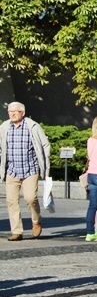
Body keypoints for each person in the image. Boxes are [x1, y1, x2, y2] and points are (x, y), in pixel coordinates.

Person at [1, 102, 51, 241]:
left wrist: (45, 167)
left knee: (30, 198)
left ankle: (36, 221)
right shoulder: (4, 127)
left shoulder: (32, 126)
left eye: (15, 111)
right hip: (11, 170)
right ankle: (16, 231)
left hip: (30, 169)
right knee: (11, 201)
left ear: (22, 113)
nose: (12, 114)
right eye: (10, 111)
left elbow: (45, 145)